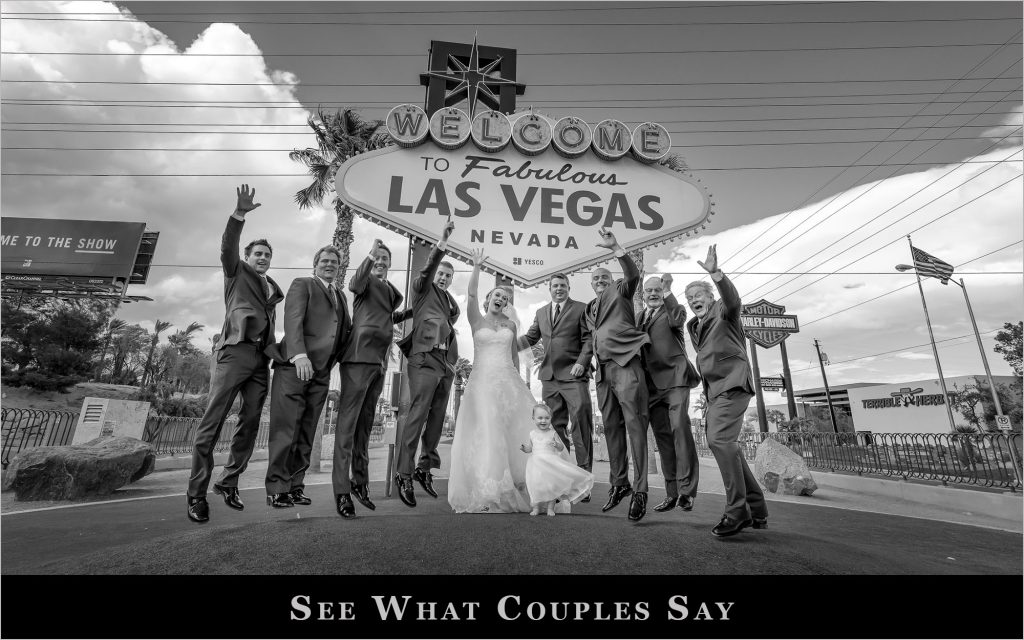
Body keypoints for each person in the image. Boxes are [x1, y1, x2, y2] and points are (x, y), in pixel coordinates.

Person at [187, 184, 284, 524]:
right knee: (211, 425)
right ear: (248, 256)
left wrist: (287, 354)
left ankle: (228, 481)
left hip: (261, 362)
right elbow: (227, 247)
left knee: (252, 421)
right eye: (258, 253)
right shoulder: (235, 272)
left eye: (267, 255)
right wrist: (238, 214)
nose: (263, 258)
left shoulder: (272, 289)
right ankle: (196, 494)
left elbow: (271, 332)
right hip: (234, 353)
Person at [685, 244, 769, 538]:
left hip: (734, 384)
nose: (694, 300)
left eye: (699, 295)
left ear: (710, 297)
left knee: (719, 440)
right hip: (714, 392)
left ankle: (738, 512)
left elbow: (733, 300)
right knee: (727, 445)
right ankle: (757, 509)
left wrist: (716, 274)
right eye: (690, 298)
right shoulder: (692, 325)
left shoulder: (724, 310)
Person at [447, 248, 536, 513]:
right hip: (482, 383)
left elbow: (514, 357)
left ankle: (519, 484)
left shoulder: (510, 326)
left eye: (505, 297)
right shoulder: (476, 320)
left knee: (511, 431)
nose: (501, 298)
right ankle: (487, 490)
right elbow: (471, 294)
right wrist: (475, 266)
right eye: (497, 295)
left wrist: (520, 384)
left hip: (508, 383)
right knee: (487, 430)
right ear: (488, 300)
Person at [263, 246, 351, 510]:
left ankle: (295, 486)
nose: (329, 265)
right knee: (286, 429)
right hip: (295, 368)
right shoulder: (303, 284)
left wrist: (331, 363)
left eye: (334, 262)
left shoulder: (340, 295)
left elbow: (342, 331)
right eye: (324, 261)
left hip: (321, 372)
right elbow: (293, 319)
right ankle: (277, 489)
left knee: (306, 431)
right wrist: (299, 354)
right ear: (315, 264)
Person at [332, 239, 404, 518]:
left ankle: (359, 482)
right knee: (347, 428)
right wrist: (370, 256)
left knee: (363, 426)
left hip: (380, 363)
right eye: (378, 257)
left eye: (386, 258)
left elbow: (386, 318)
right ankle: (341, 492)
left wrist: (413, 313)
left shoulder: (389, 292)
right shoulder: (363, 284)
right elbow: (354, 283)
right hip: (358, 358)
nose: (382, 261)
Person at [584, 228, 652, 522]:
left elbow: (633, 275)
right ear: (591, 284)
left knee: (635, 427)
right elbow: (591, 338)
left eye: (604, 277)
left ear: (611, 280)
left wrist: (617, 249)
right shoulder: (590, 308)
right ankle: (619, 483)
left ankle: (641, 491)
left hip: (626, 365)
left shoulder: (622, 291)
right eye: (595, 279)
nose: (600, 281)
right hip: (603, 374)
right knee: (611, 428)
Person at [393, 220, 460, 507]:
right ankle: (404, 474)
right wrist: (441, 245)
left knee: (436, 420)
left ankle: (424, 467)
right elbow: (428, 270)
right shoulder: (422, 287)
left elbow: (447, 319)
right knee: (418, 416)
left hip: (444, 364)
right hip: (423, 359)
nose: (443, 277)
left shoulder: (448, 301)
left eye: (448, 275)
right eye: (441, 273)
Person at [518, 274, 595, 493]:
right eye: (555, 286)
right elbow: (531, 338)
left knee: (581, 424)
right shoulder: (541, 312)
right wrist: (505, 343)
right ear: (549, 289)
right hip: (550, 377)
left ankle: (584, 478)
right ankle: (563, 478)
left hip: (574, 374)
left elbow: (588, 339)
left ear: (569, 288)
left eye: (563, 285)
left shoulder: (581, 308)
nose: (559, 289)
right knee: (555, 429)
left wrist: (582, 362)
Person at [638, 274, 701, 513]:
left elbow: (676, 321)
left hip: (675, 379)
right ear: (643, 295)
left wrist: (668, 291)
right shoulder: (639, 317)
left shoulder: (675, 310)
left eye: (657, 290)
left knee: (679, 429)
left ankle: (687, 492)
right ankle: (671, 493)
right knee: (663, 440)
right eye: (649, 291)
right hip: (651, 386)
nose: (653, 294)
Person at [520, 403, 595, 517]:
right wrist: (525, 449)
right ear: (533, 419)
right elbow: (531, 448)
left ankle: (551, 508)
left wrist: (556, 444)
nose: (543, 421)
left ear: (551, 419)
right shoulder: (532, 434)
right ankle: (536, 508)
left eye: (547, 418)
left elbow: (561, 447)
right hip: (536, 465)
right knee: (535, 486)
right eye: (540, 418)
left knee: (551, 486)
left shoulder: (552, 433)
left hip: (550, 464)